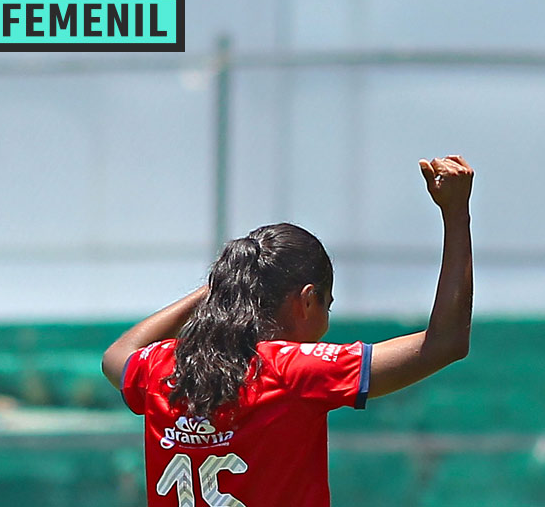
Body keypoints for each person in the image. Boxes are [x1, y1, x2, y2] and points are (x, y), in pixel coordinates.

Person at [102, 155, 473, 507]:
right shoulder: (295, 371)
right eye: (327, 306)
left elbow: (117, 356)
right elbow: (445, 342)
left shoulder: (165, 368)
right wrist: (456, 215)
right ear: (307, 300)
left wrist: (222, 287)